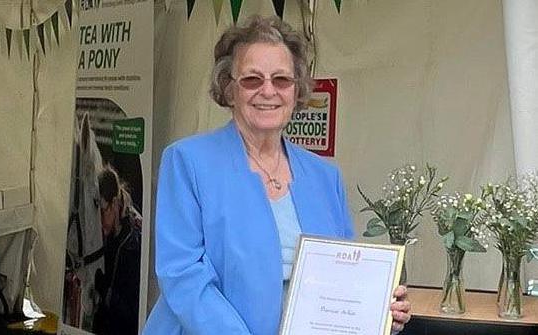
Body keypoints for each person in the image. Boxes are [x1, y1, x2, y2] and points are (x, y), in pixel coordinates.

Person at [143, 15, 411, 334]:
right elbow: (183, 275)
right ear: (229, 89)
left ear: (296, 90)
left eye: (281, 80)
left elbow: (344, 277)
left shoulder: (326, 178)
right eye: (252, 79)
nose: (268, 91)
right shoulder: (187, 161)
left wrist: (378, 313)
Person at [93, 165, 143, 335]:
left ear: (114, 203)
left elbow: (134, 311)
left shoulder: (133, 245)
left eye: (103, 212)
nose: (99, 220)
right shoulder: (106, 236)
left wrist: (107, 293)